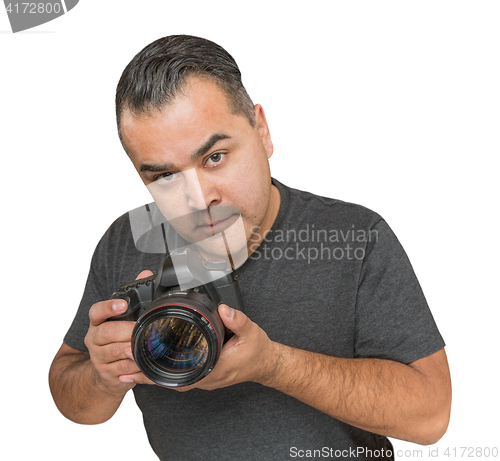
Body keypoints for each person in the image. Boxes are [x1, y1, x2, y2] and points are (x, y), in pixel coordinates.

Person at [49, 35, 451, 461]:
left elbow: (431, 417)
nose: (200, 199)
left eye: (215, 157)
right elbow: (73, 397)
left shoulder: (353, 236)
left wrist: (273, 365)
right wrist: (103, 376)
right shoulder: (126, 240)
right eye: (165, 176)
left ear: (262, 130)